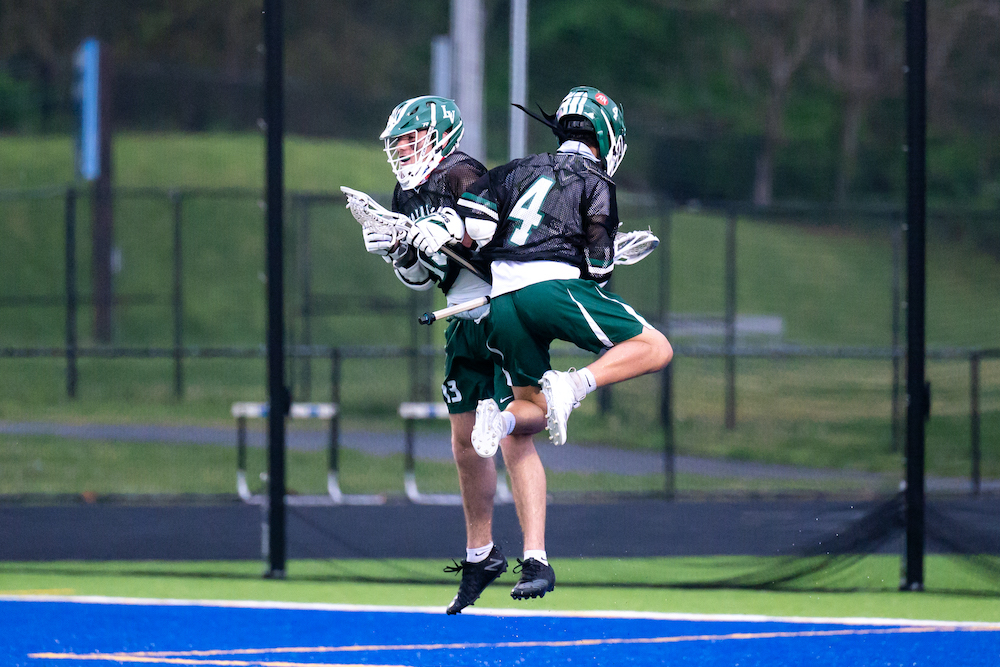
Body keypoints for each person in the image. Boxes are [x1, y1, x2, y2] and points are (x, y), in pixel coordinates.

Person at [357, 95, 552, 613]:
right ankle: (480, 553)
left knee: (512, 432)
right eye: (395, 142)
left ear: (438, 136)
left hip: (502, 306)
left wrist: (439, 234)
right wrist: (400, 250)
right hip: (460, 318)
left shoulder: (464, 175)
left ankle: (536, 556)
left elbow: (497, 245)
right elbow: (427, 278)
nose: (400, 150)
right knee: (466, 442)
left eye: (408, 138)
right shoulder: (406, 191)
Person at [454, 87, 673, 544]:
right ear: (607, 137)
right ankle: (574, 385)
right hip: (550, 290)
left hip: (502, 302)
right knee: (655, 347)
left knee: (531, 410)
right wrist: (610, 255)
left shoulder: (516, 169)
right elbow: (597, 270)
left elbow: (475, 222)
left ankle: (500, 423)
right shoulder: (596, 181)